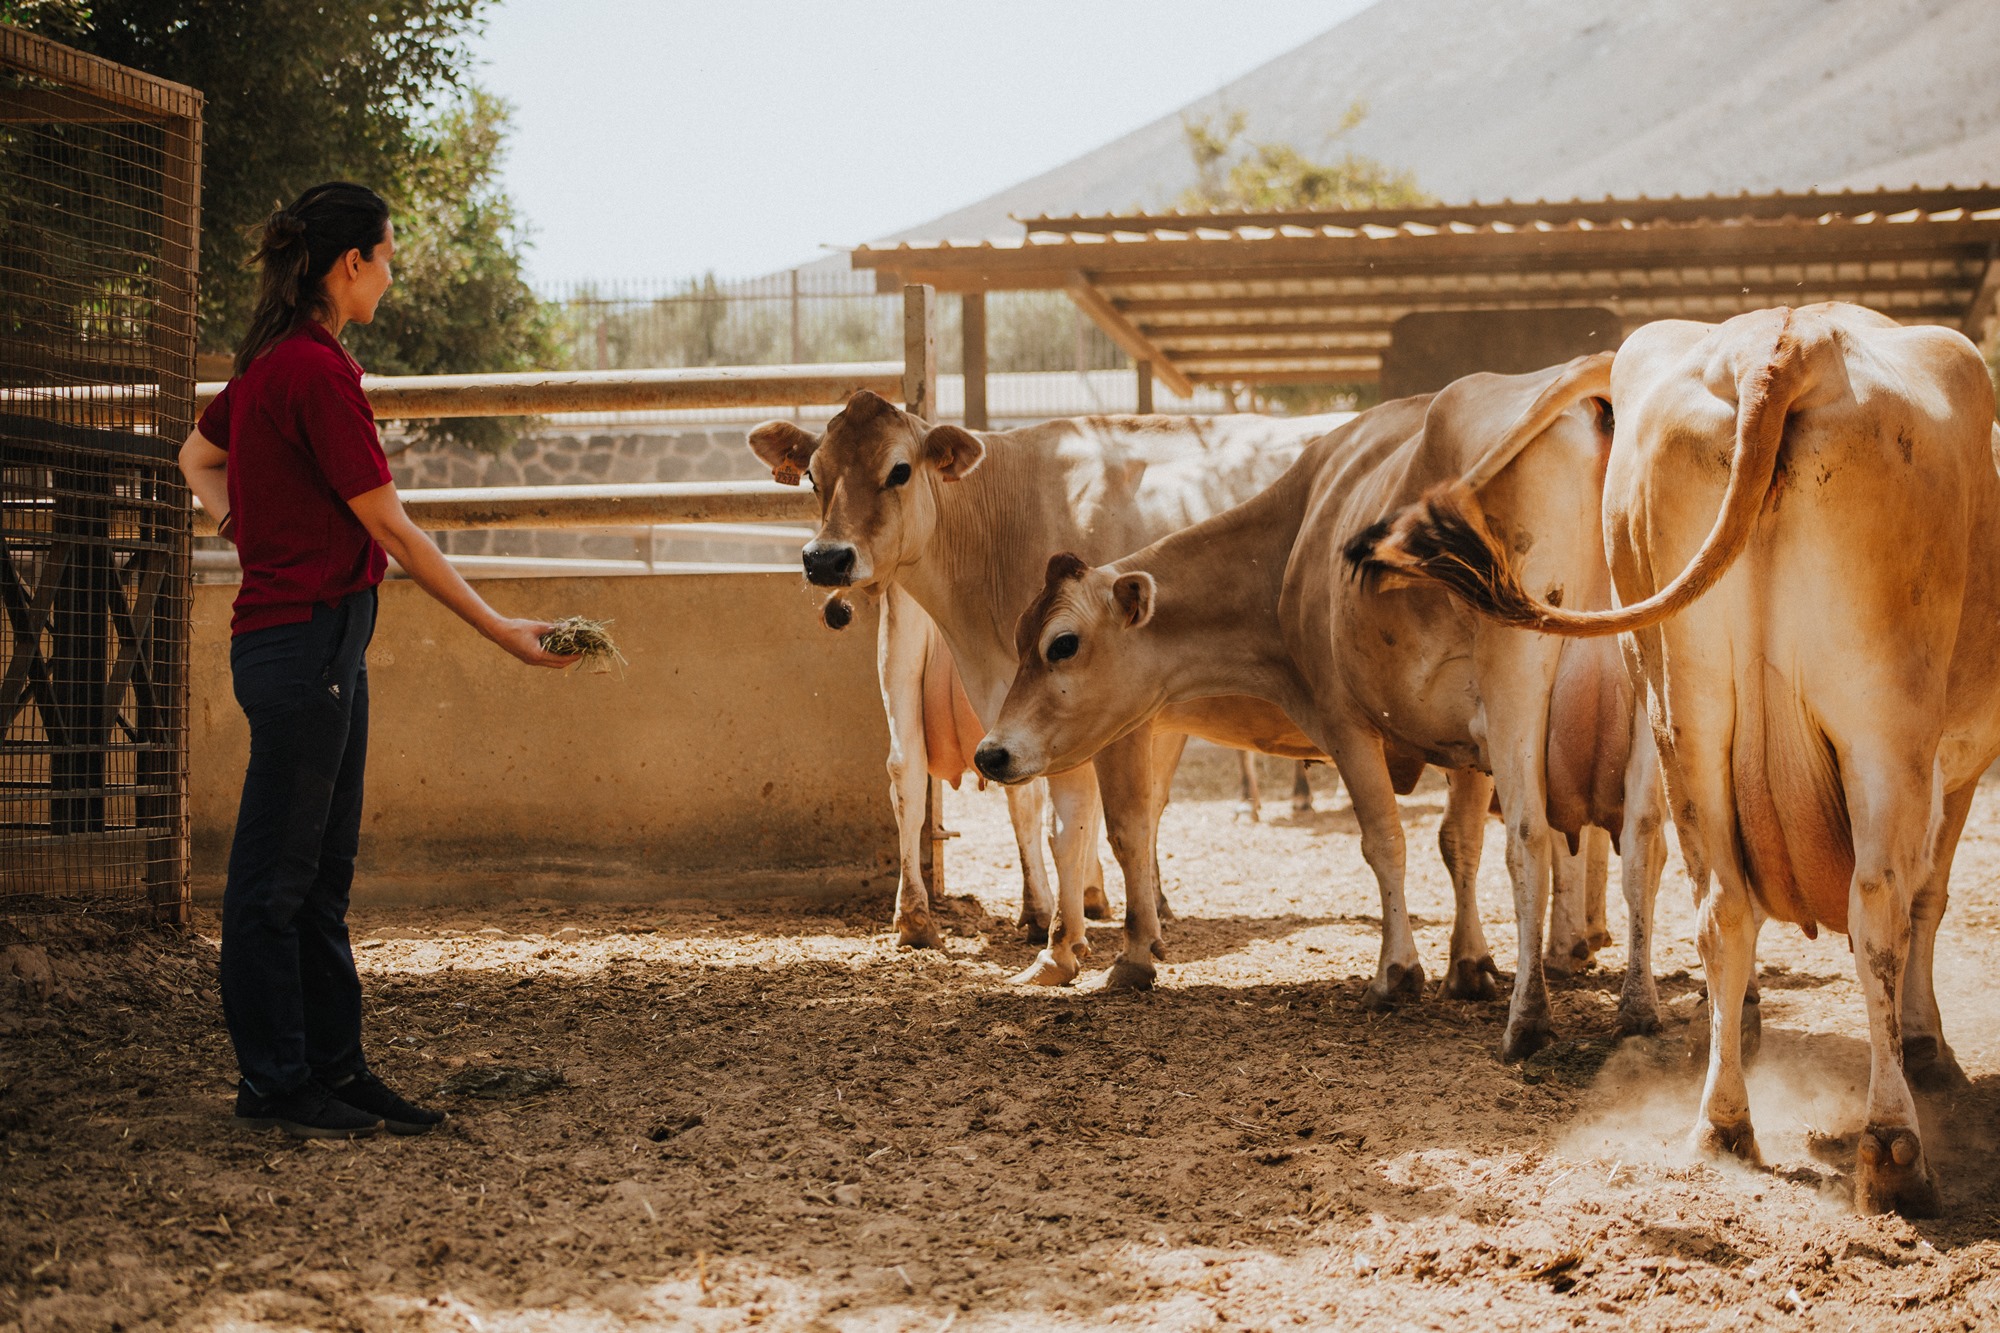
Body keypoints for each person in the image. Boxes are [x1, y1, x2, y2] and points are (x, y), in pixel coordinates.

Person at [178, 182, 576, 1140]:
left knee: (321, 875)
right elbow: (393, 528)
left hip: (320, 644)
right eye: (388, 258)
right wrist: (502, 630)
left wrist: (249, 530)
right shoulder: (314, 373)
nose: (391, 277)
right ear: (349, 263)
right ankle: (276, 1085)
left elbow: (196, 459)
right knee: (274, 882)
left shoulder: (275, 363)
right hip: (304, 643)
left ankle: (335, 1070)